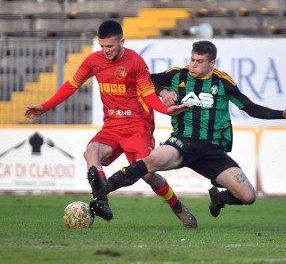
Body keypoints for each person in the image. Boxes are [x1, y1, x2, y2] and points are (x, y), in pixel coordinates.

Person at [87, 40, 286, 221]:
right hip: (182, 142)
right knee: (151, 162)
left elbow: (251, 108)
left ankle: (219, 199)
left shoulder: (223, 82)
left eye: (199, 62)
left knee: (248, 196)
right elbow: (146, 80)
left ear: (212, 63)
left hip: (212, 151)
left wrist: (282, 114)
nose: (193, 65)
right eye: (192, 60)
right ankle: (104, 189)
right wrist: (163, 92)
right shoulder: (177, 76)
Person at [24, 20, 198, 229]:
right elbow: (72, 84)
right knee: (91, 152)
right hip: (112, 126)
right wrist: (45, 106)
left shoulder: (136, 62)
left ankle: (177, 206)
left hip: (137, 126)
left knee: (149, 175)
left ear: (122, 41)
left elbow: (148, 95)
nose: (105, 51)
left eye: (110, 46)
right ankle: (102, 202)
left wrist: (165, 109)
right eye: (102, 46)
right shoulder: (93, 61)